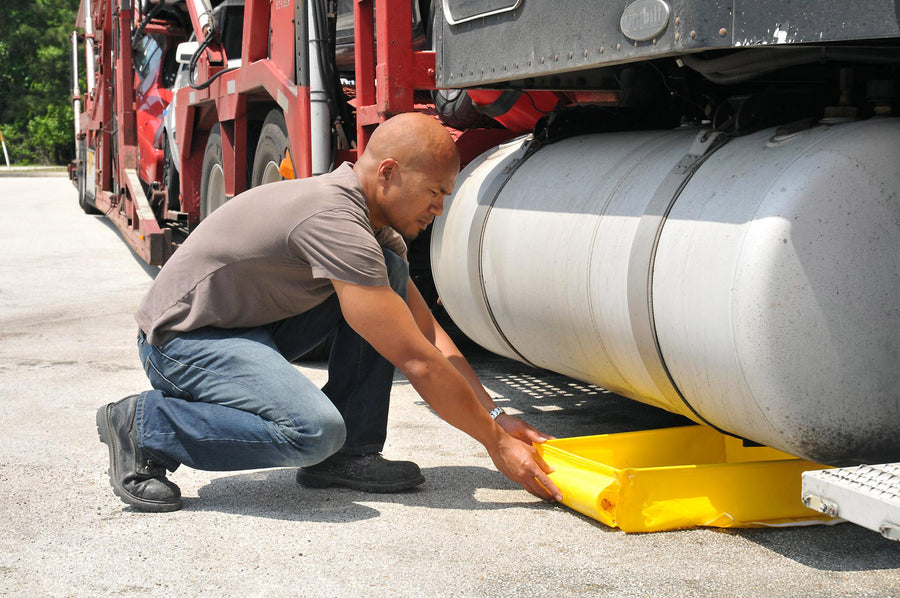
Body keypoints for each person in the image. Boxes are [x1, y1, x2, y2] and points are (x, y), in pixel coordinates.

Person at [96, 112, 562, 512]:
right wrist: (495, 445)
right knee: (313, 430)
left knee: (391, 282)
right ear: (388, 173)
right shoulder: (335, 222)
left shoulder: (373, 231)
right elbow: (416, 361)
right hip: (183, 340)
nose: (439, 209)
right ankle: (145, 425)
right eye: (434, 192)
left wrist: (497, 415)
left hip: (244, 327)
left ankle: (349, 455)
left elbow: (427, 335)